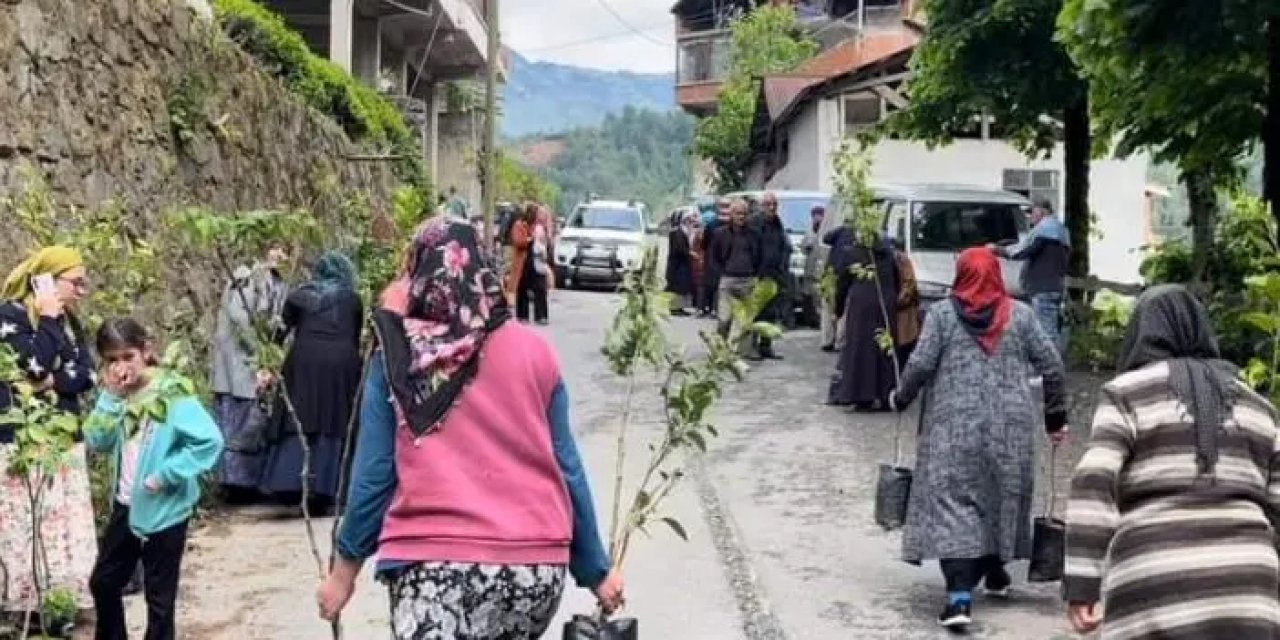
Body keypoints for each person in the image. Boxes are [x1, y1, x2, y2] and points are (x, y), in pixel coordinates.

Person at [316, 218, 624, 639]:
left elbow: (376, 472)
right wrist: (595, 571)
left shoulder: (397, 356)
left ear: (418, 271)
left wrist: (343, 572)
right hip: (533, 573)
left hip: (436, 568)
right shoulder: (536, 352)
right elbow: (565, 464)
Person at [1064, 284, 1280, 639]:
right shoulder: (1260, 408)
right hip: (1250, 582)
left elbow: (1093, 480)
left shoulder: (1126, 394)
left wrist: (1082, 583)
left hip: (1154, 575)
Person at [887, 248, 1067, 630]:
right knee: (1001, 498)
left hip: (952, 430)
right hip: (1010, 431)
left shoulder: (941, 317)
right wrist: (1055, 418)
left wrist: (901, 397)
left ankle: (958, 598)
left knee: (955, 506)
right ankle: (996, 570)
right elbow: (1052, 366)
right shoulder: (1022, 316)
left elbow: (919, 365)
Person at [86, 318, 224, 640]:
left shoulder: (171, 394)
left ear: (146, 352)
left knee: (159, 602)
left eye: (128, 356)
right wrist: (109, 398)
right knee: (104, 582)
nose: (122, 367)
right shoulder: (119, 397)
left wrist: (166, 474)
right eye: (112, 360)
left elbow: (210, 441)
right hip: (127, 505)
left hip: (165, 510)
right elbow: (98, 442)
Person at [0, 246, 98, 614]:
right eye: (76, 282)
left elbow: (86, 374)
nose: (81, 291)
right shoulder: (10, 316)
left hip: (63, 437)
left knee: (64, 524)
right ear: (45, 280)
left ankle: (62, 603)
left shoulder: (70, 322)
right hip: (25, 442)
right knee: (30, 522)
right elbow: (32, 365)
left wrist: (51, 380)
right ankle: (24, 606)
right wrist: (48, 320)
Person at [258, 251, 363, 513]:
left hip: (304, 361)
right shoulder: (352, 299)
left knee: (300, 416)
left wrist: (266, 364)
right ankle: (328, 487)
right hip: (341, 364)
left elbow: (278, 335)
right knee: (334, 418)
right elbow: (354, 336)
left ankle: (289, 481)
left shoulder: (298, 296)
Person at [211, 243, 288, 502]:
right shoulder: (248, 278)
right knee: (240, 422)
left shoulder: (274, 281)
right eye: (277, 249)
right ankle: (235, 486)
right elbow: (239, 316)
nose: (281, 255)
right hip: (240, 361)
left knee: (251, 423)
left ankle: (245, 484)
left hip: (252, 361)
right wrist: (260, 352)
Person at [827, 232, 899, 410]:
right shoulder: (888, 253)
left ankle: (861, 395)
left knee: (860, 348)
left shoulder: (852, 254)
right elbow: (896, 280)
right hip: (885, 303)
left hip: (862, 305)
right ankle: (885, 393)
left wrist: (838, 309)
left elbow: (842, 283)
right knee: (883, 349)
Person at [988, 198, 1070, 353]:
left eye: (1032, 212)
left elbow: (1022, 251)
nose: (1030, 216)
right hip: (1054, 286)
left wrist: (997, 249)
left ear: (1042, 211)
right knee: (1051, 328)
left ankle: (1051, 370)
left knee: (1046, 332)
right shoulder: (1061, 231)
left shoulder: (1046, 229)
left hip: (1043, 288)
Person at [711, 199, 762, 356]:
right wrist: (721, 273)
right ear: (731, 215)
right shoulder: (720, 234)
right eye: (738, 213)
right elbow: (713, 257)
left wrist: (756, 275)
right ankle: (719, 349)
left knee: (747, 319)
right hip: (728, 280)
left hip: (748, 280)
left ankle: (746, 350)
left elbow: (760, 256)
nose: (741, 217)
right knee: (724, 319)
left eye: (744, 214)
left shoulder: (754, 234)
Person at [750, 192, 791, 360]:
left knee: (770, 312)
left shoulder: (777, 224)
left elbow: (784, 246)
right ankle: (751, 347)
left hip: (775, 275)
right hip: (758, 275)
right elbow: (751, 248)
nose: (772, 207)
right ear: (761, 206)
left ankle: (766, 346)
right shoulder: (755, 223)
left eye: (774, 204)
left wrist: (782, 267)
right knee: (755, 313)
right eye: (768, 204)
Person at [506, 204, 551, 324]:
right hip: (523, 262)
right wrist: (530, 239)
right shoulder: (519, 225)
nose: (536, 217)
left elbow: (545, 241)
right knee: (522, 288)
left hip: (537, 261)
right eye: (535, 214)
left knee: (540, 288)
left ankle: (541, 315)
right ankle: (522, 316)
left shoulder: (537, 227)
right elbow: (517, 241)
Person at [819, 222, 856, 353]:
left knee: (828, 308)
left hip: (831, 274)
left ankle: (827, 340)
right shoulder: (860, 236)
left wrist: (841, 228)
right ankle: (839, 342)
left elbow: (825, 238)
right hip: (847, 276)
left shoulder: (841, 232)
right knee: (844, 310)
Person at [698, 198, 731, 318]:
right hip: (726, 257)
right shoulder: (732, 224)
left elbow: (704, 243)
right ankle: (716, 309)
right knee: (720, 285)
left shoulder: (711, 224)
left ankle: (707, 308)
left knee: (710, 284)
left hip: (712, 257)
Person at [893, 238, 921, 366]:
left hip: (903, 316)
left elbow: (909, 285)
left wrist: (896, 302)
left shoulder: (901, 259)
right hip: (902, 316)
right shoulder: (900, 259)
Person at [666, 210, 698, 315]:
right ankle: (674, 308)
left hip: (681, 264)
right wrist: (690, 253)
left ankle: (679, 307)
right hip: (677, 265)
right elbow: (679, 249)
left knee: (681, 287)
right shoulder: (678, 232)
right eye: (689, 220)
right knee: (677, 287)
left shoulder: (683, 231)